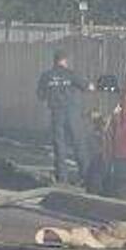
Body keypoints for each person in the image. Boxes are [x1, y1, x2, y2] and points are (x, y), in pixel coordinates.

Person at [37, 49, 88, 184]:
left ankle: (62, 178)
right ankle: (85, 175)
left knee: (59, 145)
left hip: (56, 114)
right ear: (65, 60)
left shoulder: (46, 76)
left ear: (54, 61)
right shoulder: (71, 74)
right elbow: (87, 86)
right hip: (72, 114)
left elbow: (40, 96)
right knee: (78, 143)